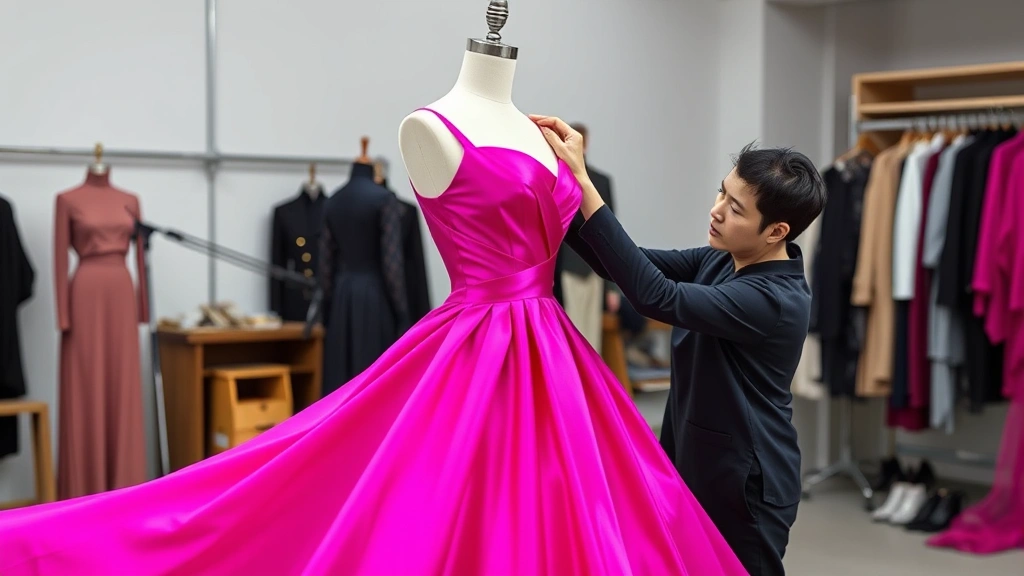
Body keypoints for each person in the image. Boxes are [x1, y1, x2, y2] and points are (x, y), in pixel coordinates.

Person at [532, 114, 826, 576]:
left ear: (776, 232)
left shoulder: (774, 299)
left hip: (746, 485)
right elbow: (622, 264)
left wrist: (585, 184)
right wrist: (557, 186)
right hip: (697, 461)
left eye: (736, 209)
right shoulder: (723, 260)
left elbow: (656, 295)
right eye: (721, 193)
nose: (716, 210)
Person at [553, 123, 619, 351]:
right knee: (571, 331)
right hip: (568, 267)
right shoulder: (556, 178)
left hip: (595, 269)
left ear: (585, 143)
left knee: (593, 336)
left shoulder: (601, 181)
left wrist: (612, 287)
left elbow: (611, 233)